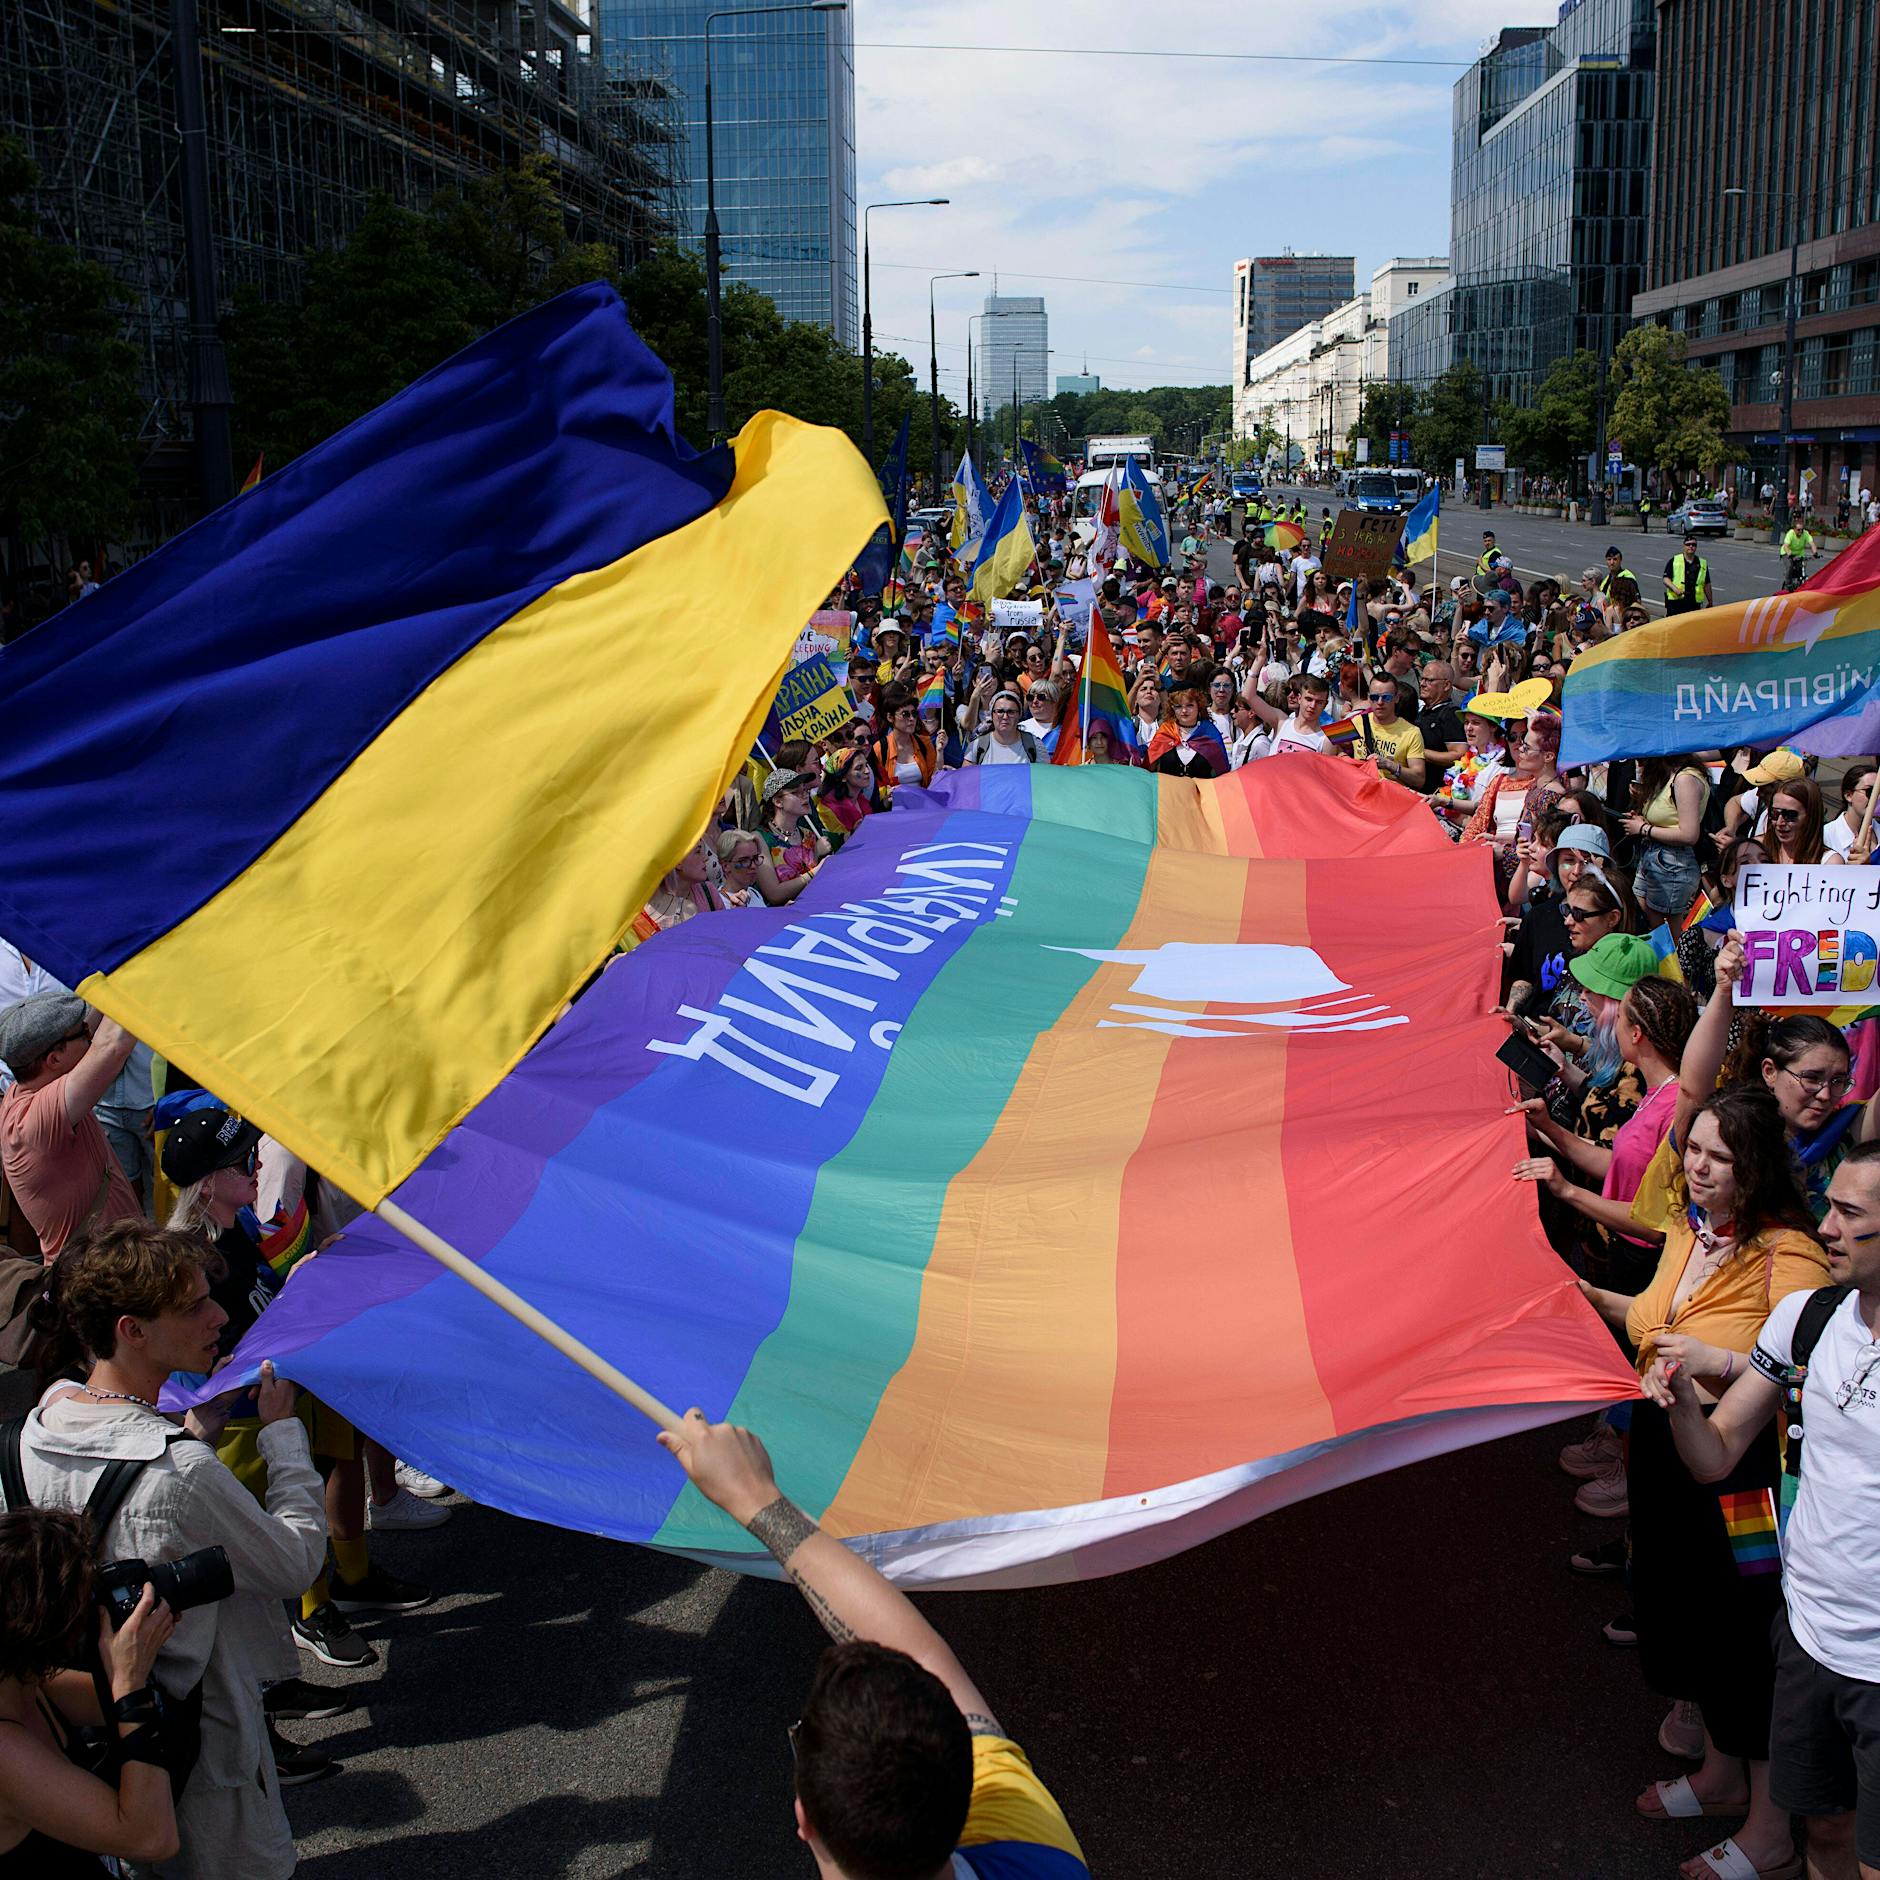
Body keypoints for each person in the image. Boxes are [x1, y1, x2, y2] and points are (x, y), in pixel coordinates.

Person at [14, 1226, 330, 1880]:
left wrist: (194, 1431)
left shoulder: (31, 1431)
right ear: (131, 1330)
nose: (218, 1316)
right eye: (191, 1307)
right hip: (201, 1747)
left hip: (76, 1734)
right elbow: (295, 1563)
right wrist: (282, 1435)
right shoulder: (181, 1471)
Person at [657, 1411, 1087, 1879]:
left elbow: (921, 1656)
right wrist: (754, 1497)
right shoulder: (1040, 1851)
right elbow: (920, 1654)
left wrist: (753, 1497)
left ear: (804, 1819)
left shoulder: (1023, 1823)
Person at [1578, 1087, 1829, 1880]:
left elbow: (1809, 1364)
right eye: (1693, 1150)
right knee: (1689, 1611)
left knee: (1745, 1633)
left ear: (1756, 1169)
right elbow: (1655, 1321)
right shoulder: (1691, 1229)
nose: (1698, 1167)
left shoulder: (1790, 1254)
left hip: (1744, 1472)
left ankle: (1771, 1831)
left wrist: (1719, 1361)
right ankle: (1722, 1778)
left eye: (1720, 1157)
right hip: (1667, 1442)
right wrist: (1589, 1299)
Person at [1641, 1141, 1880, 1880]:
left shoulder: (1792, 1270)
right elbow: (1714, 1456)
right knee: (1827, 1834)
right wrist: (1683, 1403)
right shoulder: (1808, 1319)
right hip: (1806, 1637)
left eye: (1849, 1214)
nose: (1826, 1228)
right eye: (1829, 1206)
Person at [0, 1507, 180, 1873]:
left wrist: (133, 1642)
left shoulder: (29, 1685)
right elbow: (153, 1839)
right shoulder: (5, 1752)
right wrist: (129, 1682)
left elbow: (149, 1710)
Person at [0, 994, 143, 1261]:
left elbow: (92, 1028)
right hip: (96, 1274)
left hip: (110, 1263)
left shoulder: (26, 1089)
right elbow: (112, 1046)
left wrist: (112, 987)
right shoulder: (36, 1121)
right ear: (54, 1060)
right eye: (85, 1034)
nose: (91, 1038)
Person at [1625, 756, 1712, 920]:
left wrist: (1643, 829)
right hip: (1655, 855)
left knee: (1666, 928)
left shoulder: (1685, 779)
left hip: (1673, 862)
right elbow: (1667, 819)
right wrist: (1642, 820)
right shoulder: (1667, 775)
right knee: (1649, 917)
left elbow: (1689, 835)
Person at [753, 769, 830, 906]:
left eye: (805, 790)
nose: (805, 796)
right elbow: (774, 894)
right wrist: (816, 871)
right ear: (778, 802)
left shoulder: (808, 835)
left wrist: (817, 853)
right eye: (795, 792)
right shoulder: (759, 839)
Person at [1352, 676, 1426, 789]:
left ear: (1396, 698)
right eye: (1374, 697)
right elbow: (1332, 743)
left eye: (1386, 697)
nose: (1380, 702)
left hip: (1390, 795)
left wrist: (1390, 765)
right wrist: (1343, 756)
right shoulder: (1357, 722)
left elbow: (1419, 780)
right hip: (1360, 790)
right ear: (1368, 698)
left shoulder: (1412, 733)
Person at [642, 838, 725, 931]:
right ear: (678, 862)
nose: (706, 858)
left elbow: (726, 931)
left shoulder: (708, 891)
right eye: (698, 852)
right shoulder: (651, 908)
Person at [964, 692, 1044, 765]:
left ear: (1019, 715)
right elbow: (967, 775)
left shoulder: (1035, 745)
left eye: (1011, 712)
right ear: (992, 715)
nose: (1005, 717)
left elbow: (1044, 775)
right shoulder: (977, 746)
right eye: (1000, 711)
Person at [1663, 534, 1714, 614]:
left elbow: (1707, 584)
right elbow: (1666, 579)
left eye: (1693, 544)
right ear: (1684, 546)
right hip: (1676, 602)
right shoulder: (1675, 560)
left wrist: (1710, 601)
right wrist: (1675, 589)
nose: (1691, 546)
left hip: (1694, 603)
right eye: (1688, 544)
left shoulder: (1702, 563)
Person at [1781, 518, 1817, 589]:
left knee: (1801, 567)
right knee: (1790, 565)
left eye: (1802, 530)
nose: (1800, 531)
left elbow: (1812, 544)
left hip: (1799, 554)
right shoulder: (1790, 533)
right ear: (1794, 529)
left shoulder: (1805, 533)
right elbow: (1786, 546)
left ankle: (1799, 583)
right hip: (1787, 552)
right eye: (1798, 530)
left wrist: (1815, 553)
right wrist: (1790, 554)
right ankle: (1788, 583)